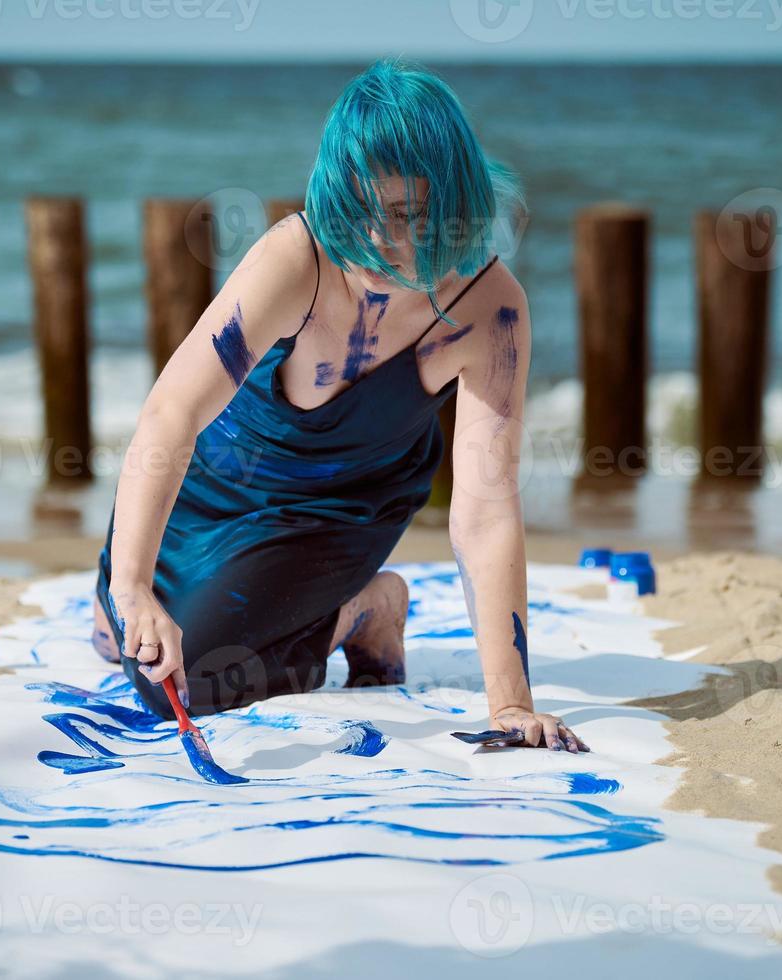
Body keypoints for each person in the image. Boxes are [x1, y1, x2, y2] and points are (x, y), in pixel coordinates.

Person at [91, 58, 587, 753]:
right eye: (361, 214)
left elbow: (487, 506)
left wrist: (511, 703)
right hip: (212, 485)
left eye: (410, 215)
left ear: (456, 200)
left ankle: (364, 607)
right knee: (120, 635)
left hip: (337, 509)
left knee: (194, 682)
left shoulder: (491, 308)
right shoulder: (301, 256)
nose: (382, 241)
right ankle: (146, 594)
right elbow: (172, 413)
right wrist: (135, 585)